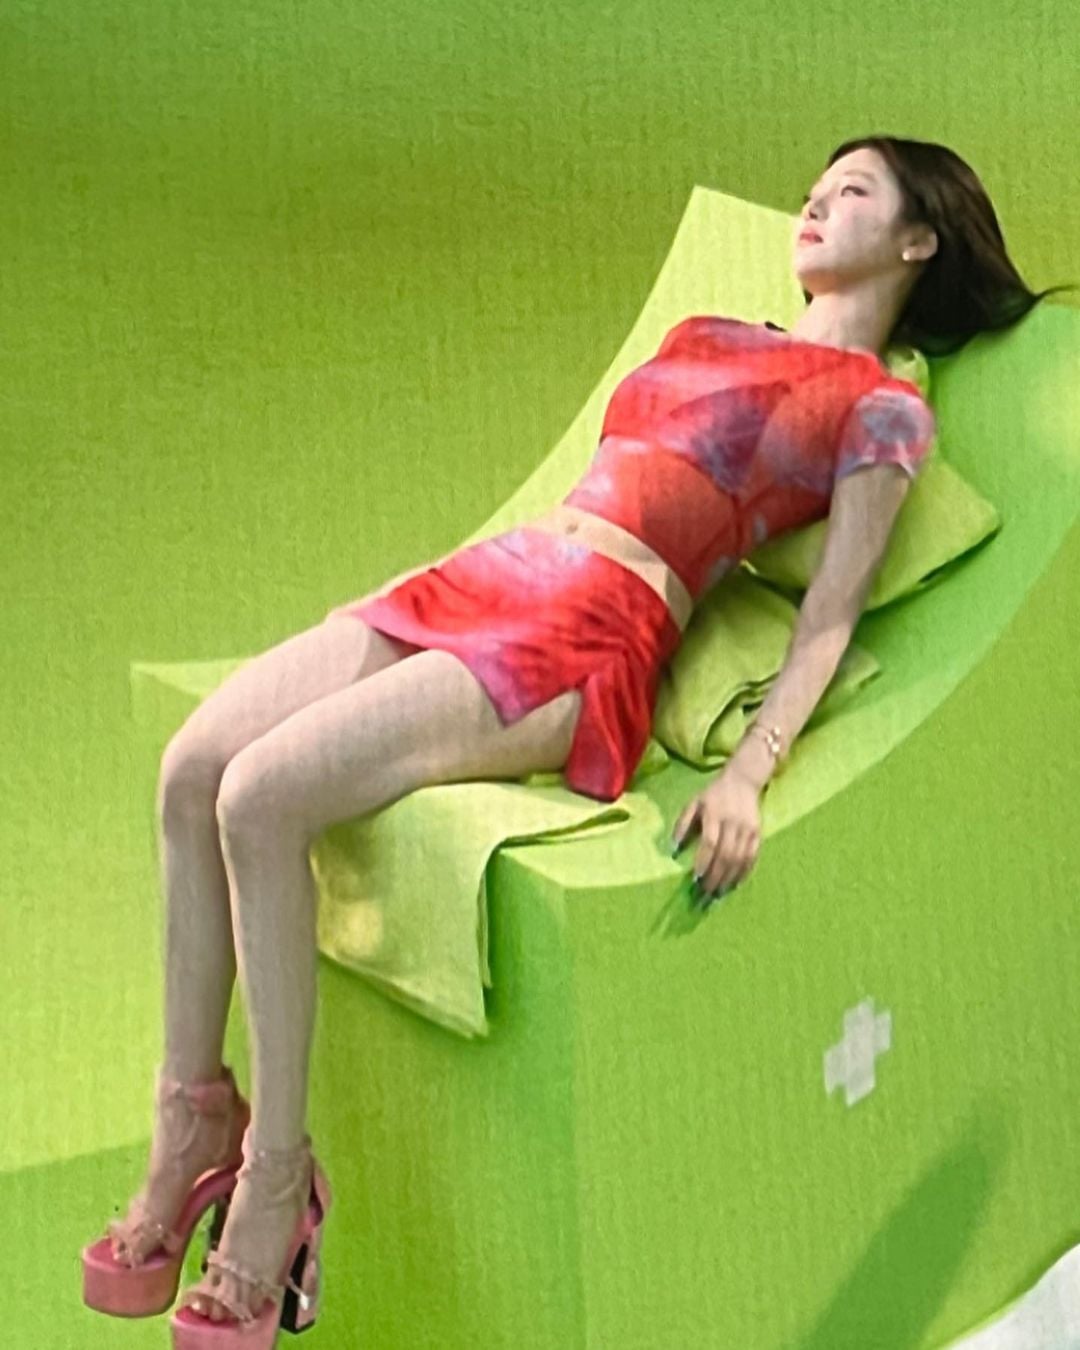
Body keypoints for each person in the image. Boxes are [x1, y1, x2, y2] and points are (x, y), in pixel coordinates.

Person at [80, 135, 1074, 1337]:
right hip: (494, 575)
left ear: (919, 239)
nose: (814, 206)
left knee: (260, 798)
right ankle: (194, 1119)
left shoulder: (882, 409)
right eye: (812, 190)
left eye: (852, 192)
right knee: (191, 769)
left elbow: (830, 614)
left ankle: (278, 1183)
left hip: (591, 631)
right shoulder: (707, 331)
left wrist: (751, 772)